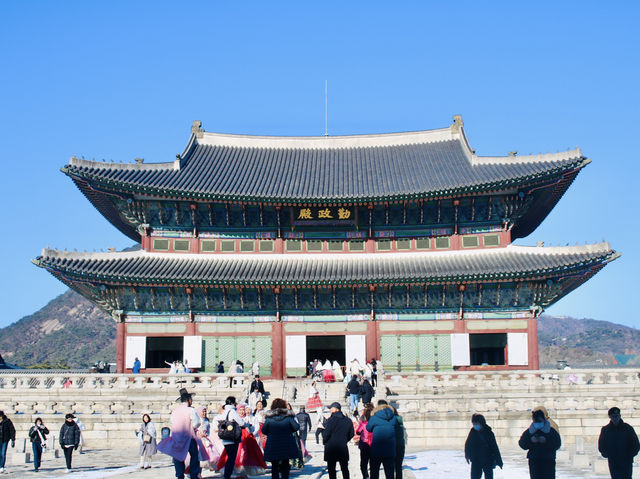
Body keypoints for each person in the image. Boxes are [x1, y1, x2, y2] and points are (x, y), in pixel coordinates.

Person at [157, 388, 201, 479]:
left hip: (177, 437)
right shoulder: (190, 410)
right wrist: (191, 427)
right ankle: (193, 474)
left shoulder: (175, 411)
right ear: (188, 400)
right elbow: (197, 422)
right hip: (189, 437)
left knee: (178, 456)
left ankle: (180, 475)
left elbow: (171, 423)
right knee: (194, 456)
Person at [217, 403, 266, 476]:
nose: (242, 412)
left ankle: (246, 467)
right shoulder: (234, 417)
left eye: (243, 410)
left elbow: (252, 427)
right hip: (237, 436)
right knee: (237, 453)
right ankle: (235, 468)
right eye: (240, 410)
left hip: (247, 435)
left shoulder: (248, 418)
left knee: (248, 452)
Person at [262, 398, 301, 479]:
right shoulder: (288, 418)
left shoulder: (269, 419)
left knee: (274, 466)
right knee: (285, 464)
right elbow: (296, 427)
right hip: (286, 443)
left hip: (273, 443)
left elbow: (264, 430)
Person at [519, 409, 562, 479]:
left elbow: (557, 444)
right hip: (534, 461)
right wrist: (531, 441)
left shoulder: (551, 431)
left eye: (539, 421)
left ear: (544, 420)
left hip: (548, 460)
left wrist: (546, 441)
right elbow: (522, 444)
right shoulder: (529, 431)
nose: (537, 423)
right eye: (536, 421)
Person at [598, 407, 640, 479]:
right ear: (610, 417)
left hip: (626, 460)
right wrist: (606, 454)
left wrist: (631, 454)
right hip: (613, 460)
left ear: (620, 416)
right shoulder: (606, 430)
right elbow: (601, 444)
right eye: (613, 417)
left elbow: (635, 443)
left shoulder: (628, 428)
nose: (615, 418)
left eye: (617, 416)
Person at [215, 396, 245, 479]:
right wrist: (246, 424)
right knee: (231, 458)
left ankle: (227, 474)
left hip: (225, 438)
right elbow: (241, 423)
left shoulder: (224, 412)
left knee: (229, 457)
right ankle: (227, 475)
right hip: (232, 438)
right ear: (232, 403)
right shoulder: (232, 411)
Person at [464, 414, 503, 479]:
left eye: (476, 423)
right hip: (476, 460)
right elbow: (468, 444)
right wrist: (467, 455)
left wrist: (499, 461)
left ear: (481, 423)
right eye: (474, 424)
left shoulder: (489, 432)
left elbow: (494, 447)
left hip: (487, 460)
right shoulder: (473, 432)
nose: (475, 425)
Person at [366, 400, 398, 479]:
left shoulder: (374, 417)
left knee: (374, 473)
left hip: (376, 449)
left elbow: (368, 428)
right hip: (390, 449)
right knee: (390, 474)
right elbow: (396, 427)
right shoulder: (393, 417)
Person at [323, 402, 354, 479]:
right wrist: (345, 440)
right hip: (342, 447)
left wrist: (325, 441)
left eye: (331, 408)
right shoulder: (348, 420)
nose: (330, 410)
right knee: (344, 469)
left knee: (331, 470)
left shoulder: (330, 420)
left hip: (331, 447)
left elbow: (326, 434)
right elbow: (352, 433)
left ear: (336, 409)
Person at [196, 406, 223, 470]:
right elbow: (195, 430)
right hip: (198, 440)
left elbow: (208, 430)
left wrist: (206, 434)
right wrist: (200, 434)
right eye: (203, 411)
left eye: (205, 411)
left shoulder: (206, 420)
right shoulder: (197, 420)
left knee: (210, 457)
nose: (204, 413)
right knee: (198, 458)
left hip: (205, 439)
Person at [356, 403, 374, 479]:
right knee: (373, 463)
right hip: (373, 444)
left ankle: (365, 476)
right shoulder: (375, 423)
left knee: (363, 463)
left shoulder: (363, 424)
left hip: (364, 444)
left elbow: (358, 432)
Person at [392, 404, 406, 479]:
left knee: (391, 466)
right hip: (400, 445)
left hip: (392, 445)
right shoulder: (400, 421)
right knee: (399, 466)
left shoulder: (391, 422)